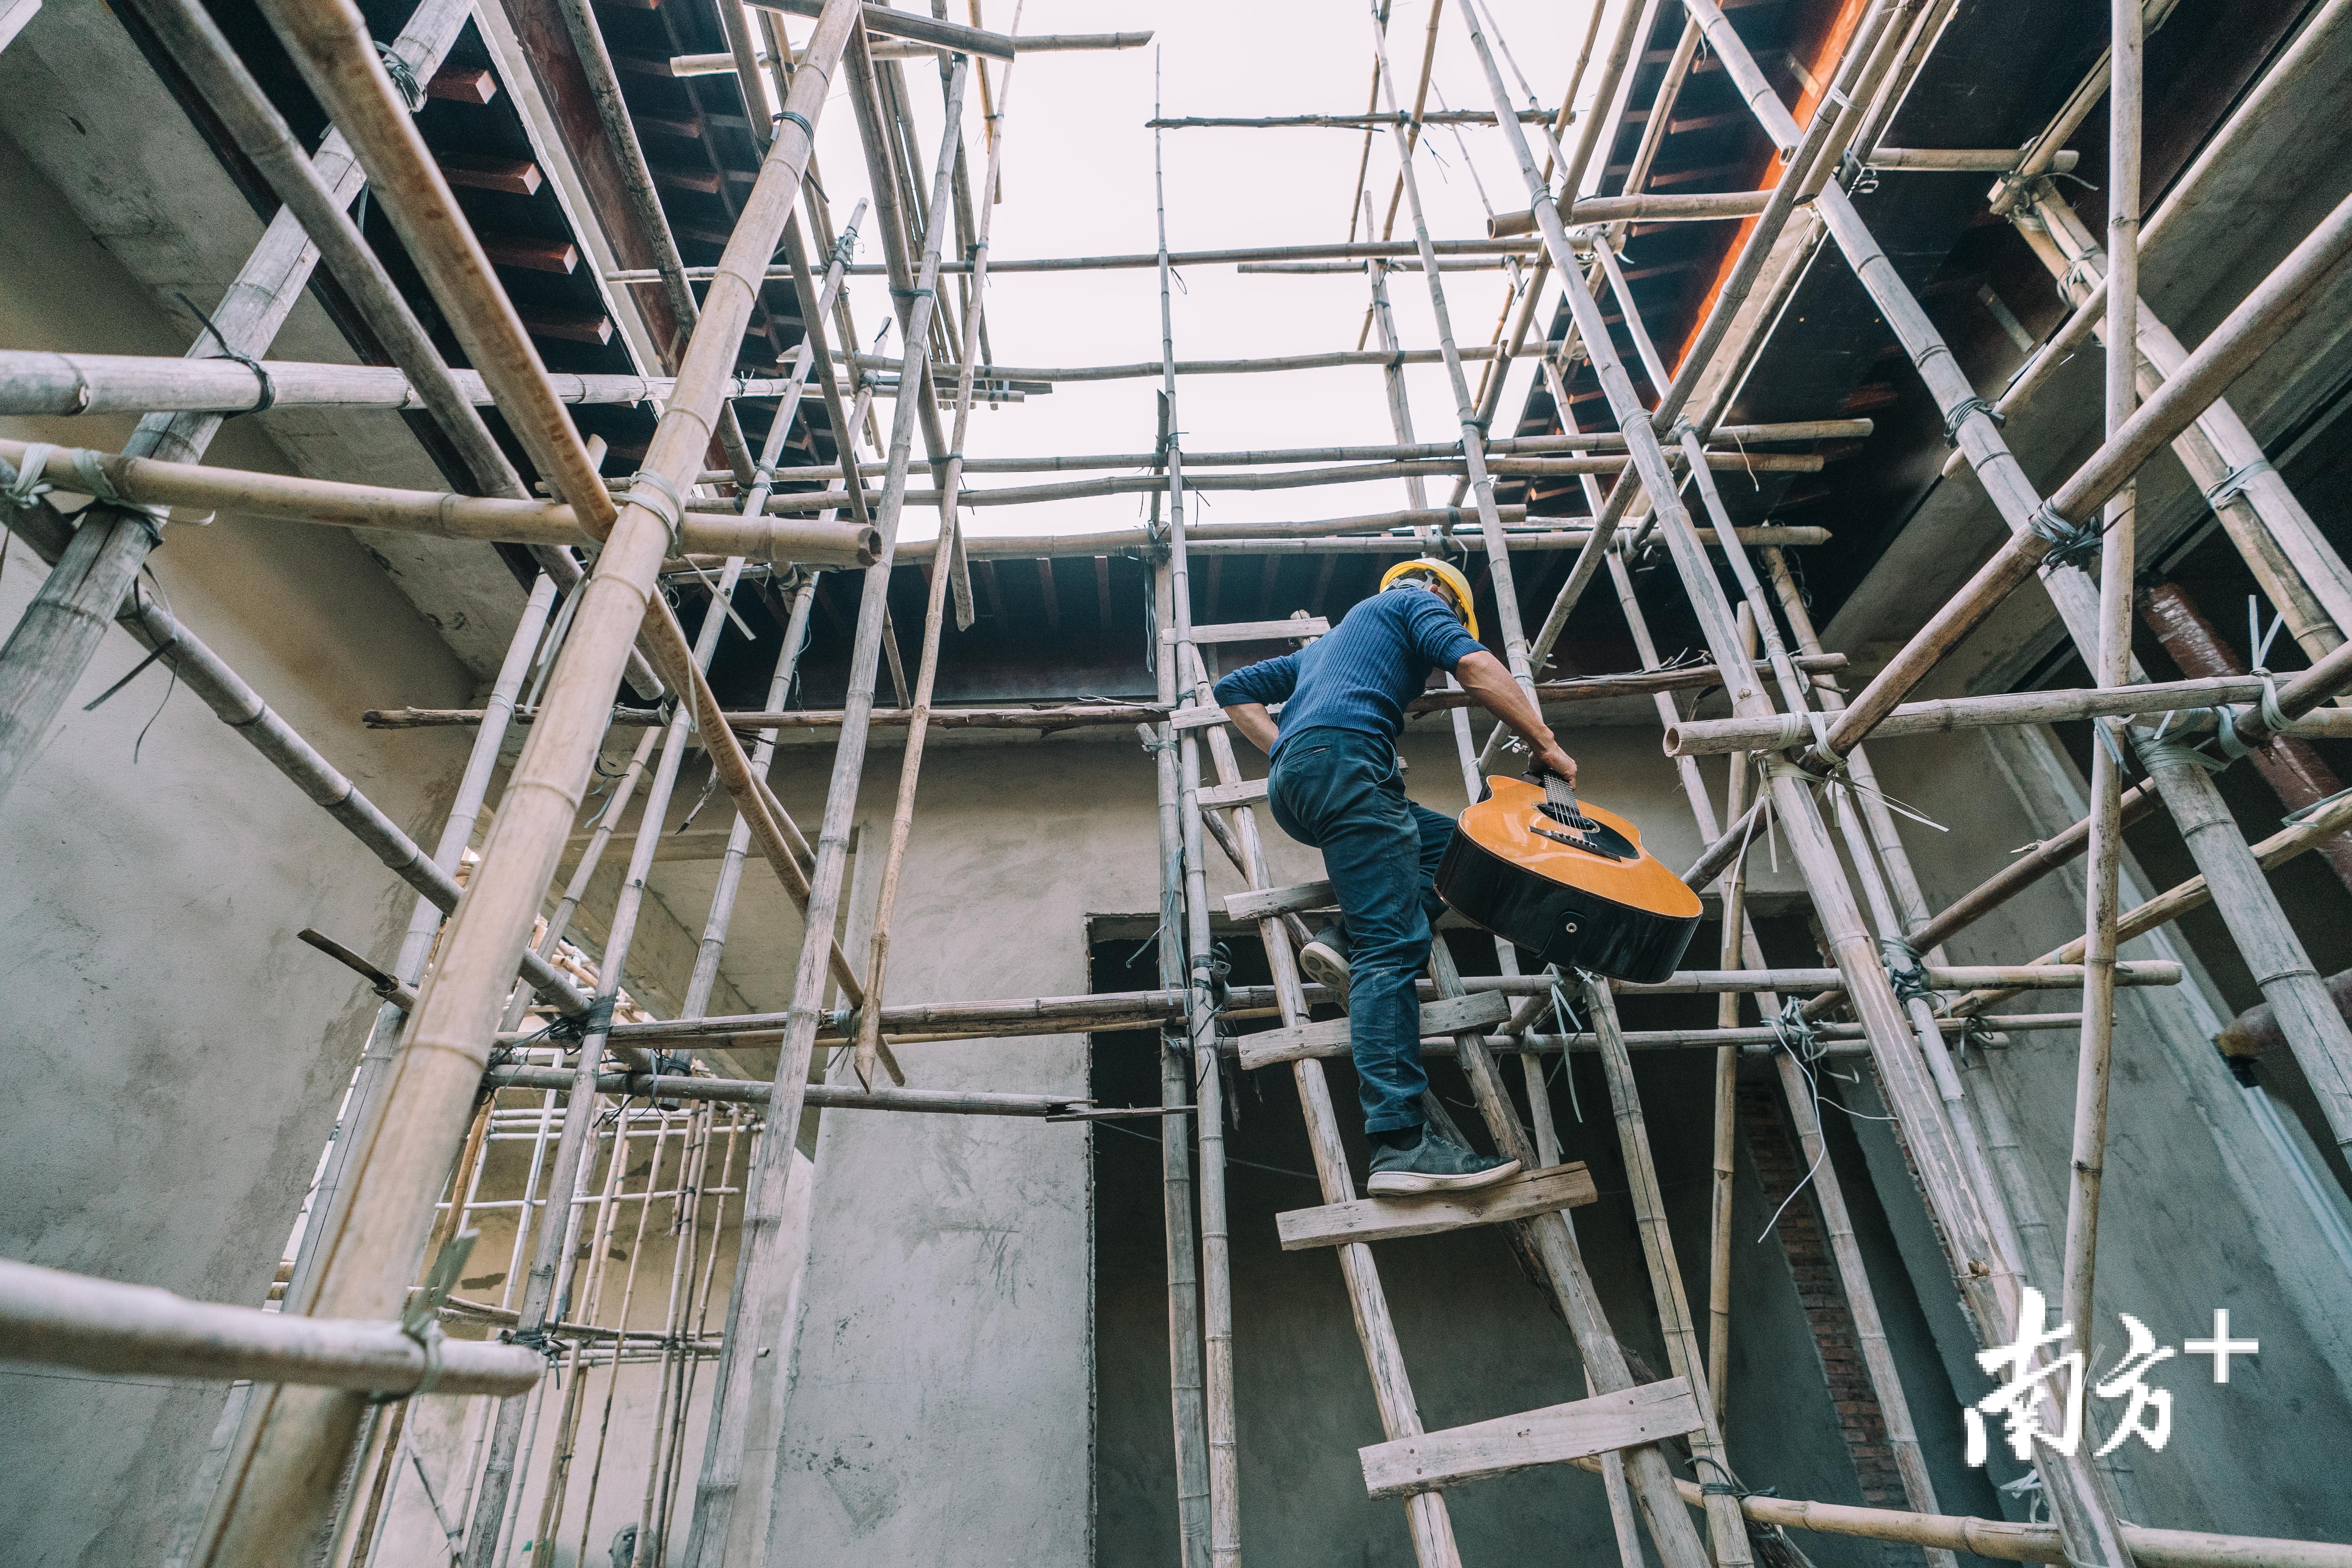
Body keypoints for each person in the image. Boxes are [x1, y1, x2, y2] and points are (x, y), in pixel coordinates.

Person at [1212, 558, 1579, 1196]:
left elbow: (1234, 688)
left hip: (1301, 786)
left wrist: (1291, 749)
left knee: (1467, 853)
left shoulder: (1328, 646)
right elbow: (1475, 667)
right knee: (1394, 945)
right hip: (1350, 768)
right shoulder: (1416, 603)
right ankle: (1401, 1143)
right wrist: (1545, 741)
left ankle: (1344, 937)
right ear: (1444, 596)